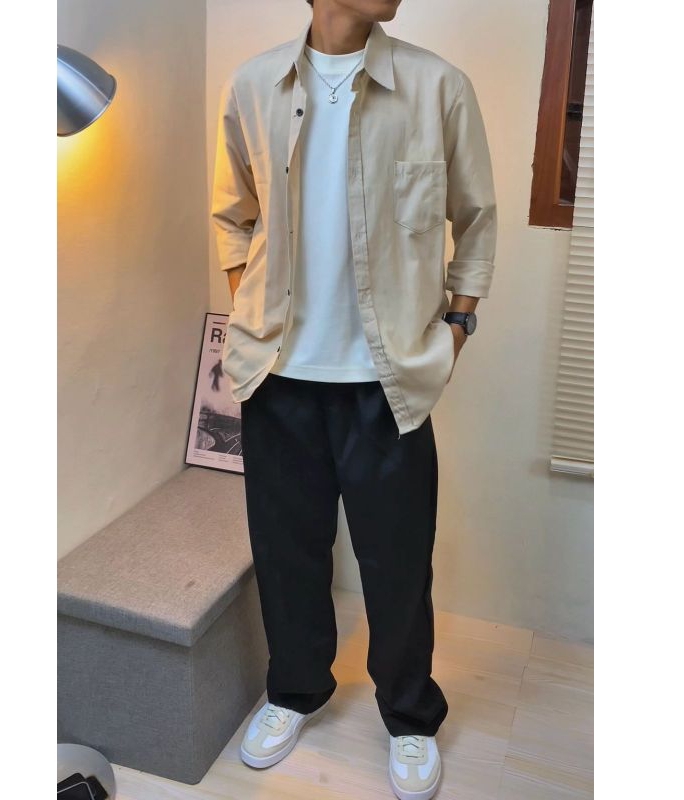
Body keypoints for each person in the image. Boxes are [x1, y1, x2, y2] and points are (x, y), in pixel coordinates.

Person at [210, 1, 496, 797]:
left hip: (387, 384)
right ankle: (295, 690)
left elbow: (476, 220)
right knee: (287, 555)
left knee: (398, 565)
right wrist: (251, 310)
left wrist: (457, 328)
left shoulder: (437, 87)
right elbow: (232, 214)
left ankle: (409, 714)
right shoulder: (253, 85)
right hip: (280, 381)